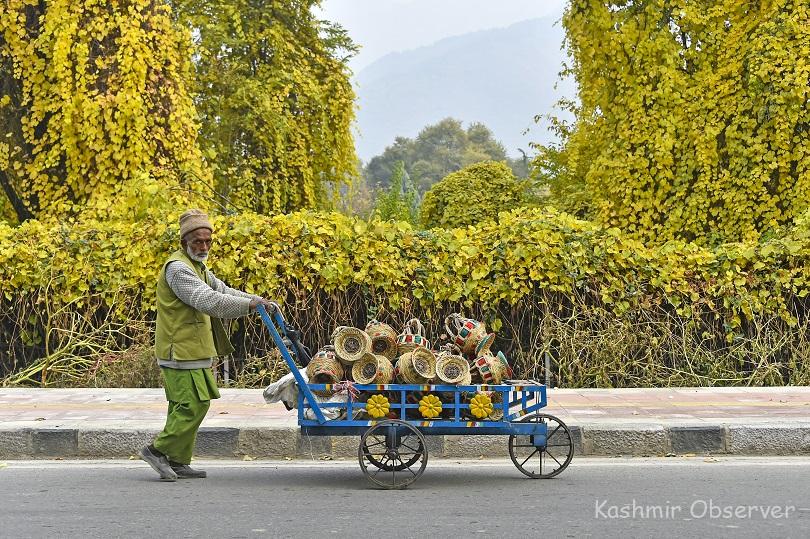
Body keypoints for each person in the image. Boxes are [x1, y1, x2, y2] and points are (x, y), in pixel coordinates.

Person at [140, 209, 274, 481]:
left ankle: (177, 460)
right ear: (184, 242)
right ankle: (157, 451)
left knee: (184, 405)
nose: (203, 247)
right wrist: (250, 306)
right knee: (193, 405)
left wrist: (258, 300)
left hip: (196, 349)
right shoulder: (178, 269)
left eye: (207, 242)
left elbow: (223, 291)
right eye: (197, 242)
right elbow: (209, 300)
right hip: (179, 349)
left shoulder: (199, 267)